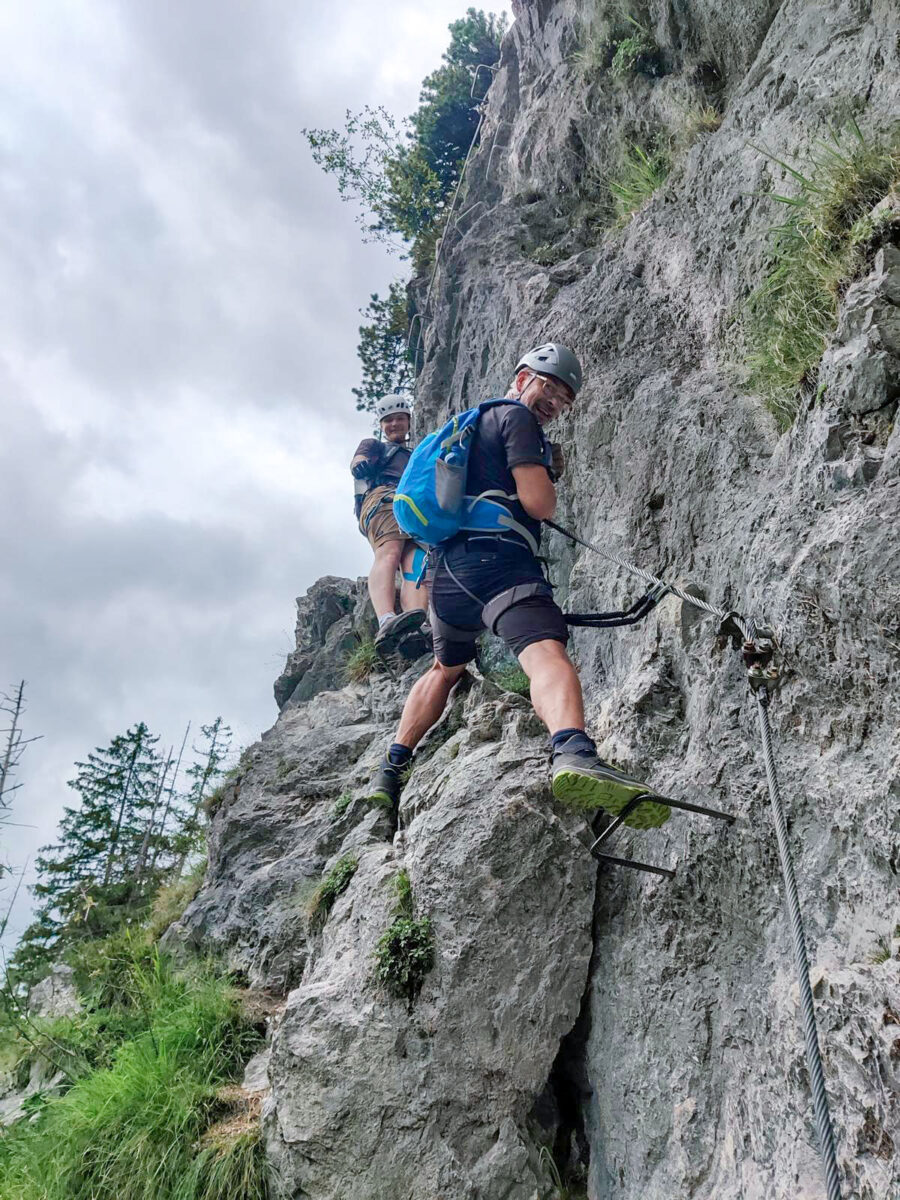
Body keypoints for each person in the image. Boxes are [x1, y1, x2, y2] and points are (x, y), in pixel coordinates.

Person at [367, 343, 667, 828]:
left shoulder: (469, 425)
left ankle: (390, 770)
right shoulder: (515, 420)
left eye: (564, 399)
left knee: (446, 667)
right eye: (549, 386)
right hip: (501, 563)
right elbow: (538, 503)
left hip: (447, 578)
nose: (553, 402)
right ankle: (573, 750)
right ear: (523, 376)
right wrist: (544, 475)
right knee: (544, 654)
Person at [351, 393, 429, 651]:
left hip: (412, 507)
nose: (394, 424)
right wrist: (360, 466)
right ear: (381, 425)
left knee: (416, 563)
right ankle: (387, 618)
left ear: (408, 421)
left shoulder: (414, 454)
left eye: (399, 419)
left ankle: (415, 624)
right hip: (385, 499)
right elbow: (358, 460)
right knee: (391, 551)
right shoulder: (374, 446)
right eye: (388, 421)